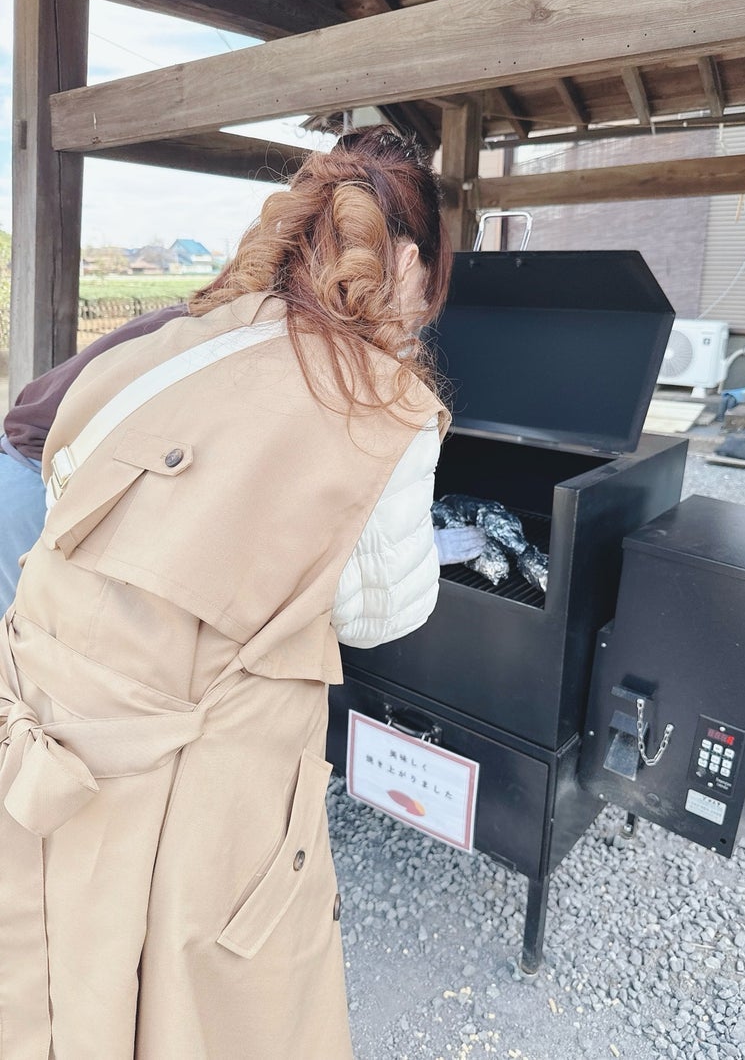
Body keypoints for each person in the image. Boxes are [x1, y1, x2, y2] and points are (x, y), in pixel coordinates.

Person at [0, 126, 452, 1058]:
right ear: (407, 262)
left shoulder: (178, 336)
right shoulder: (381, 400)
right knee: (193, 1011)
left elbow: (65, 472)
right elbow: (383, 612)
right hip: (184, 792)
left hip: (45, 725)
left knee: (55, 1000)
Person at [0, 302, 187, 610]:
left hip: (18, 466)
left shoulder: (180, 318)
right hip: (43, 486)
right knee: (44, 642)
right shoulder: (228, 337)